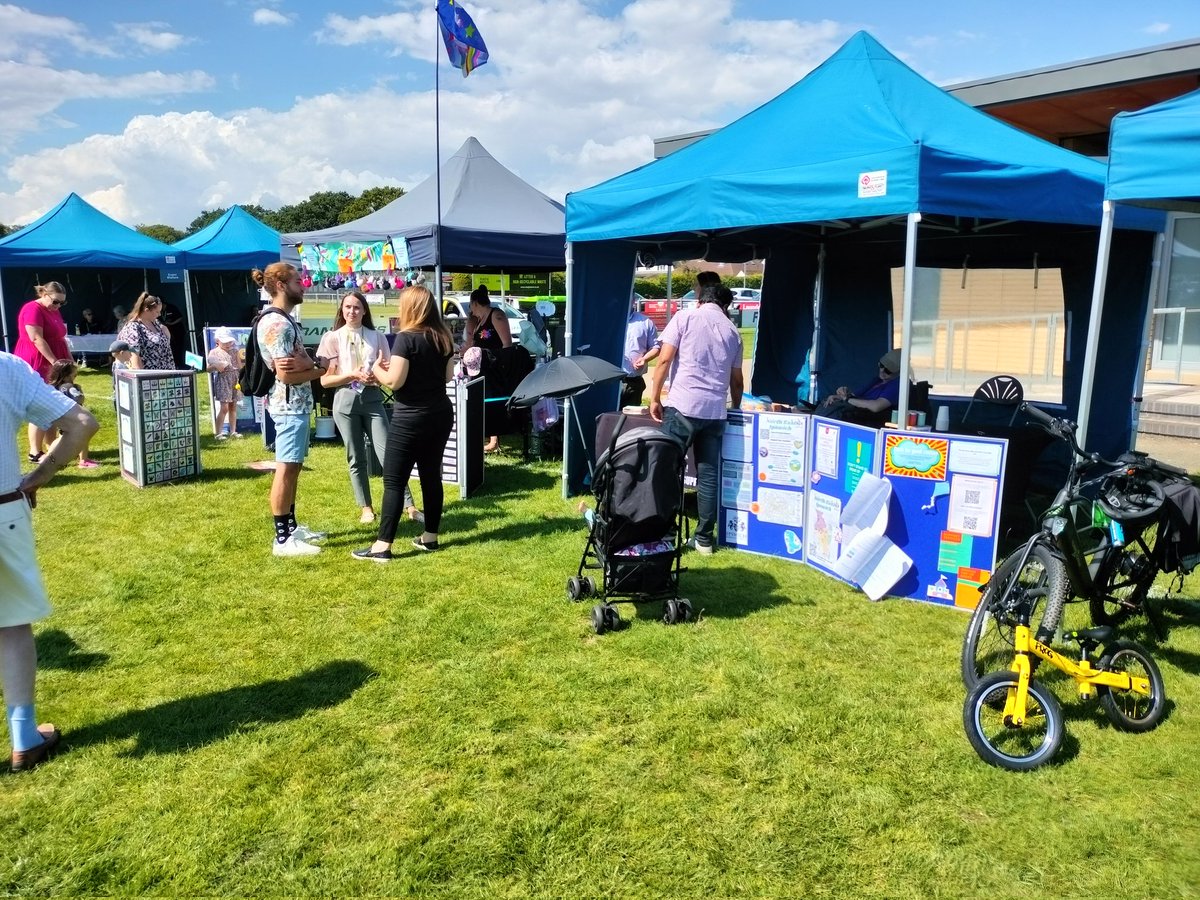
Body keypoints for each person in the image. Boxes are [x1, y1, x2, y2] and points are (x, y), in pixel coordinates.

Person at [0, 351, 99, 771]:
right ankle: (23, 734)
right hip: (4, 510)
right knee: (10, 622)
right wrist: (37, 478)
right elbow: (81, 424)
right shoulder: (6, 367)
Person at [352, 285, 454, 561]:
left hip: (410, 415)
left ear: (409, 308)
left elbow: (395, 381)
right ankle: (430, 537)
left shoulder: (406, 339)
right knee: (432, 475)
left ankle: (382, 545)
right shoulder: (444, 337)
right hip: (440, 413)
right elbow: (446, 378)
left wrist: (376, 369)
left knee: (394, 480)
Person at [649, 282, 743, 556]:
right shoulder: (732, 331)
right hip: (715, 412)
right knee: (708, 474)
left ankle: (664, 530)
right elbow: (736, 381)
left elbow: (664, 361)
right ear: (725, 306)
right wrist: (735, 408)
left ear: (700, 299)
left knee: (666, 470)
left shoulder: (685, 317)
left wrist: (654, 397)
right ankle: (704, 539)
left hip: (682, 407)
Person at [317, 290, 421, 525]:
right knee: (356, 457)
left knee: (389, 455)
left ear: (365, 310)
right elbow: (324, 381)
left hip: (373, 400)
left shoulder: (377, 336)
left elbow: (387, 371)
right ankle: (366, 506)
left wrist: (377, 376)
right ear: (341, 311)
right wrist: (351, 375)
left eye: (356, 307)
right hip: (345, 401)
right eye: (347, 307)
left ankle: (410, 506)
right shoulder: (331, 338)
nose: (351, 311)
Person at [252, 262, 329, 557]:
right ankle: (282, 539)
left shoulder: (284, 320)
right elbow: (286, 374)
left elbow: (301, 362)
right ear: (282, 285)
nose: (304, 285)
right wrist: (319, 369)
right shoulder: (278, 324)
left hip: (293, 405)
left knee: (293, 467)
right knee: (285, 470)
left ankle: (292, 527)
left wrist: (310, 364)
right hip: (288, 407)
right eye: (298, 280)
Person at [13, 282, 73, 462]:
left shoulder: (53, 309)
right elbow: (36, 338)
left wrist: (69, 360)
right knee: (39, 406)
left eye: (62, 303)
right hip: (39, 361)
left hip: (56, 360)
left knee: (52, 405)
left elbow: (61, 337)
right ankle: (34, 451)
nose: (58, 306)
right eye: (56, 301)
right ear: (44, 294)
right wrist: (55, 363)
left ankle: (51, 447)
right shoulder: (32, 309)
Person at [462, 285, 511, 453]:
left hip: (494, 366)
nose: (471, 310)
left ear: (475, 303)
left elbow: (507, 344)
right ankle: (484, 433)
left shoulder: (496, 315)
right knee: (480, 399)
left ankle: (494, 438)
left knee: (492, 400)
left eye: (470, 306)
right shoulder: (478, 320)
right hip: (479, 368)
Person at [812, 348, 903, 426]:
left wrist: (847, 399)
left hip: (864, 419)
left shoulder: (896, 384)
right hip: (853, 414)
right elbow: (853, 395)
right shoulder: (876, 380)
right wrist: (838, 396)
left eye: (888, 370)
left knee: (834, 413)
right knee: (828, 403)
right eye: (881, 365)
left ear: (899, 372)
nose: (882, 371)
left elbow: (876, 406)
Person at [47, 359, 99, 468]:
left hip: (61, 416)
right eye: (74, 372)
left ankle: (82, 459)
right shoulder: (70, 387)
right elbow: (79, 400)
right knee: (66, 438)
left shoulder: (55, 387)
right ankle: (82, 461)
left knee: (66, 437)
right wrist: (79, 390)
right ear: (67, 374)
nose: (76, 373)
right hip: (73, 417)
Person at [621, 293, 661, 408]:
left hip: (633, 382)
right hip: (609, 382)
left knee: (630, 421)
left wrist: (645, 359)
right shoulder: (608, 321)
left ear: (633, 300)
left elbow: (656, 347)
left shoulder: (645, 323)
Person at [117, 292, 174, 370]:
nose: (159, 314)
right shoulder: (133, 328)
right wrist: (140, 379)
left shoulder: (157, 324)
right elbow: (134, 358)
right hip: (148, 377)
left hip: (166, 376)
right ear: (146, 310)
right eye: (157, 311)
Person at [206, 329, 244, 440]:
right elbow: (208, 369)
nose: (228, 344)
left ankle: (233, 431)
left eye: (229, 342)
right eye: (225, 342)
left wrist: (241, 378)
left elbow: (239, 366)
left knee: (233, 407)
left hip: (234, 379)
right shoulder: (214, 352)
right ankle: (218, 433)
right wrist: (216, 366)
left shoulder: (235, 351)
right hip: (223, 380)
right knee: (224, 408)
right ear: (217, 341)